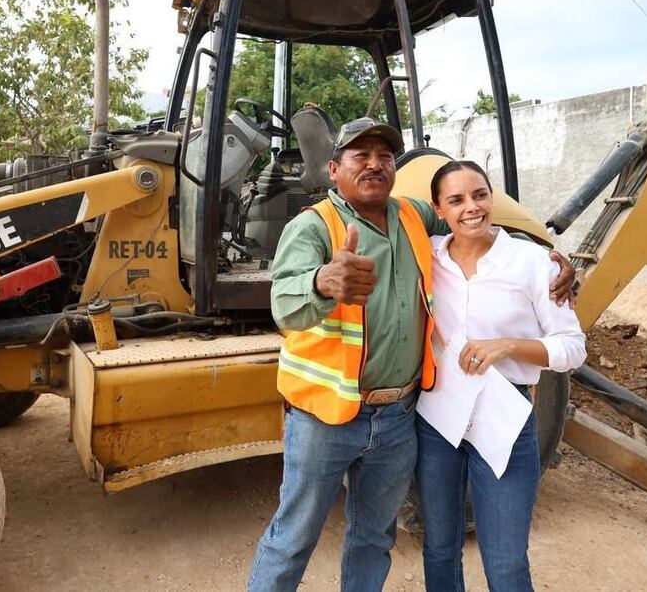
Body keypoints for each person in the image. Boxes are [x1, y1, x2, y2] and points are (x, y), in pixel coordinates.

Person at [247, 118, 575, 592]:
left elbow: (474, 225)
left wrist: (547, 259)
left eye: (384, 156)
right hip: (326, 419)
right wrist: (321, 282)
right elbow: (284, 306)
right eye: (361, 156)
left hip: (399, 418)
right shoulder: (313, 226)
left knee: (372, 539)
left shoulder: (413, 215)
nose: (375, 164)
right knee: (293, 538)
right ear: (334, 169)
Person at [414, 160, 587, 592]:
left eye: (480, 195)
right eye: (456, 200)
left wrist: (509, 345)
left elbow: (572, 347)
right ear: (438, 208)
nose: (471, 207)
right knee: (439, 548)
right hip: (439, 418)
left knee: (506, 562)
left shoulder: (533, 263)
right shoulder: (426, 255)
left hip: (504, 418)